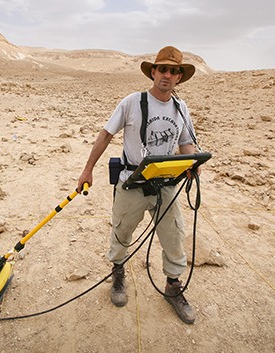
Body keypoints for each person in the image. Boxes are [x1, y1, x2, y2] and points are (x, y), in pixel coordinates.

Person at [77, 45, 200, 324]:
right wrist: (87, 170)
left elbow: (185, 143)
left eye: (174, 71)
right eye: (163, 69)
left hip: (164, 184)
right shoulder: (132, 102)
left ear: (179, 77)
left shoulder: (181, 108)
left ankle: (172, 285)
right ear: (153, 72)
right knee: (122, 232)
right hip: (131, 182)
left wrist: (192, 165)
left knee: (174, 235)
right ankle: (118, 273)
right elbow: (106, 134)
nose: (167, 75)